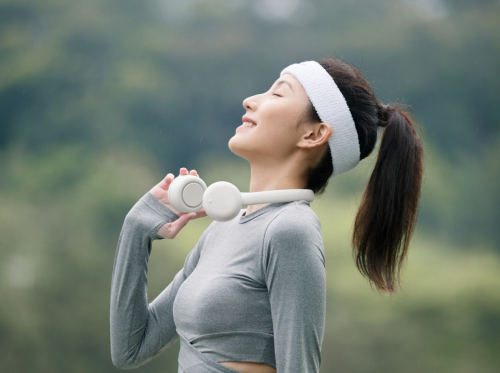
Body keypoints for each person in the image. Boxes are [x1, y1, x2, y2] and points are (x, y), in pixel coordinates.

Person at [110, 57, 424, 373]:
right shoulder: (223, 228)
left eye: (277, 94)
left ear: (314, 134)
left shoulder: (290, 229)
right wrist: (137, 228)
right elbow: (131, 349)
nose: (250, 100)